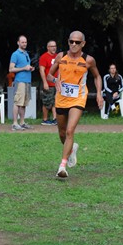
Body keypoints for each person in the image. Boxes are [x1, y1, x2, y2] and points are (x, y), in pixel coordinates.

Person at [47, 30, 103, 178]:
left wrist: (98, 93)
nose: (74, 44)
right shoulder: (61, 56)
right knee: (62, 133)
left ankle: (62, 166)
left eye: (77, 42)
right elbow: (49, 75)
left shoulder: (88, 60)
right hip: (61, 99)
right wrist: (55, 81)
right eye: (71, 41)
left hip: (78, 98)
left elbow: (97, 77)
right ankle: (72, 149)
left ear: (83, 44)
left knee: (70, 130)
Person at [9, 35, 35, 130]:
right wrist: (24, 68)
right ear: (18, 43)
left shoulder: (26, 54)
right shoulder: (15, 54)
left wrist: (30, 68)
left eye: (25, 42)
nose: (24, 44)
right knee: (17, 102)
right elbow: (11, 69)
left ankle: (22, 122)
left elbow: (25, 67)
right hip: (20, 81)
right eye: (22, 42)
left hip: (27, 80)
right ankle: (15, 123)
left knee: (24, 102)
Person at [39, 40, 58, 125]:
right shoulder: (44, 57)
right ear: (48, 47)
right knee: (47, 102)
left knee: (55, 102)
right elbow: (42, 70)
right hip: (48, 83)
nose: (54, 48)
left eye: (55, 46)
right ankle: (45, 119)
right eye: (52, 46)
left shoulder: (58, 56)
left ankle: (55, 118)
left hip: (56, 83)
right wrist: (45, 82)